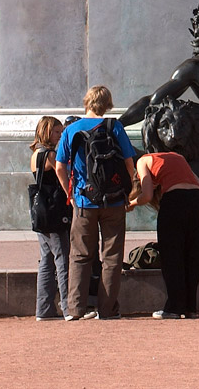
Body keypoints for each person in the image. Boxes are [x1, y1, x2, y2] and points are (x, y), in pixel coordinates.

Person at [54, 85, 137, 320]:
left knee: (80, 255)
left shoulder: (72, 130)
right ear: (108, 103)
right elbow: (129, 162)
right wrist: (128, 191)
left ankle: (75, 309)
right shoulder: (114, 126)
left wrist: (69, 193)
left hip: (83, 200)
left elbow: (60, 166)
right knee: (112, 257)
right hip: (113, 201)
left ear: (87, 102)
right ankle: (107, 310)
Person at [130, 150, 199, 318]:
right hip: (196, 199)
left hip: (174, 201)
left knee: (172, 254)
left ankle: (174, 307)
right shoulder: (178, 156)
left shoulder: (143, 161)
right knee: (192, 254)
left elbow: (147, 194)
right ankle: (190, 307)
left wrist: (132, 203)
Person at [28, 116, 70, 321]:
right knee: (62, 258)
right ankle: (68, 306)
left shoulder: (35, 154)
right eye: (57, 132)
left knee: (46, 261)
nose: (60, 135)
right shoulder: (51, 155)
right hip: (55, 211)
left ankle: (44, 308)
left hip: (41, 212)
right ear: (47, 132)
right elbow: (64, 181)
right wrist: (72, 197)